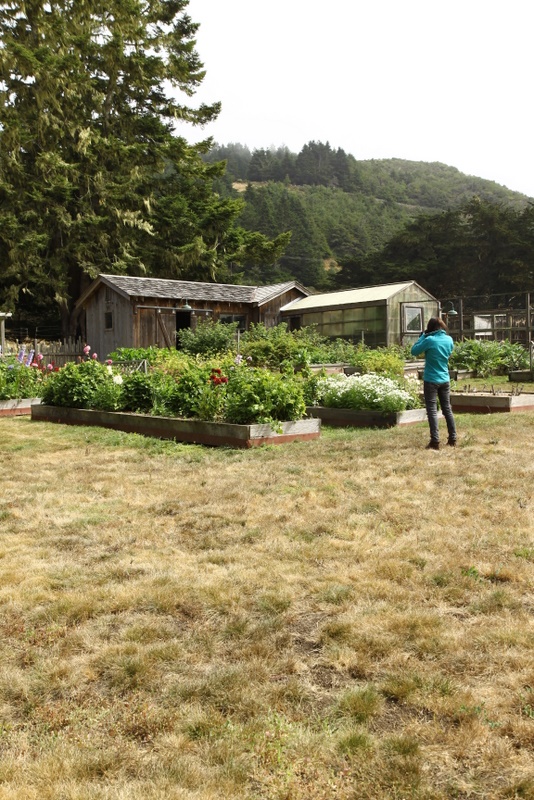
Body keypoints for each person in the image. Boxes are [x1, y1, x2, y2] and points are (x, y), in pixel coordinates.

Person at [411, 317, 457, 450]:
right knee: (447, 409)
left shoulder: (429, 340)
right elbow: (449, 354)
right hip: (445, 379)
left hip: (431, 379)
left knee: (432, 410)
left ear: (429, 328)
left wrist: (422, 337)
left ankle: (435, 441)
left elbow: (414, 351)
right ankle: (453, 438)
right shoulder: (449, 339)